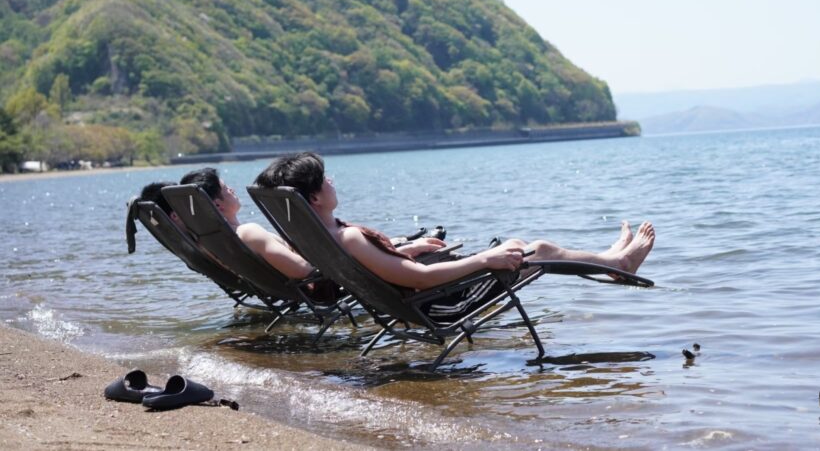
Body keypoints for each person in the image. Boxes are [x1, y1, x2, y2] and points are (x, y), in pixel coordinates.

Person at [253, 152, 655, 321]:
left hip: (420, 298)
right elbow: (420, 279)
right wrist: (485, 260)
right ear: (314, 197)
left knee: (523, 246)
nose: (333, 181)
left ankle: (610, 261)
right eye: (325, 179)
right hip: (439, 302)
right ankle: (619, 263)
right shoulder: (348, 239)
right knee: (539, 249)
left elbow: (390, 269)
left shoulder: (322, 237)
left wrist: (407, 248)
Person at [179, 167, 316, 281]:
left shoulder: (207, 242)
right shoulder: (248, 233)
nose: (232, 189)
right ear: (217, 204)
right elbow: (302, 271)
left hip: (269, 287)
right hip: (313, 284)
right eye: (226, 188)